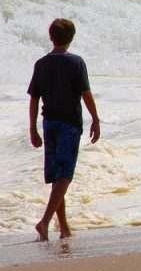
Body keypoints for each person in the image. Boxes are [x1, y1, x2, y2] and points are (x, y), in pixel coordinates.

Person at [27, 18, 101, 241]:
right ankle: (45, 222)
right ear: (71, 38)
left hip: (49, 123)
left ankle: (64, 229)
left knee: (57, 177)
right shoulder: (75, 62)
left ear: (51, 37)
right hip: (69, 124)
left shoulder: (41, 64)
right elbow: (86, 93)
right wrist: (95, 119)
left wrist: (33, 128)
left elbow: (34, 99)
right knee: (65, 176)